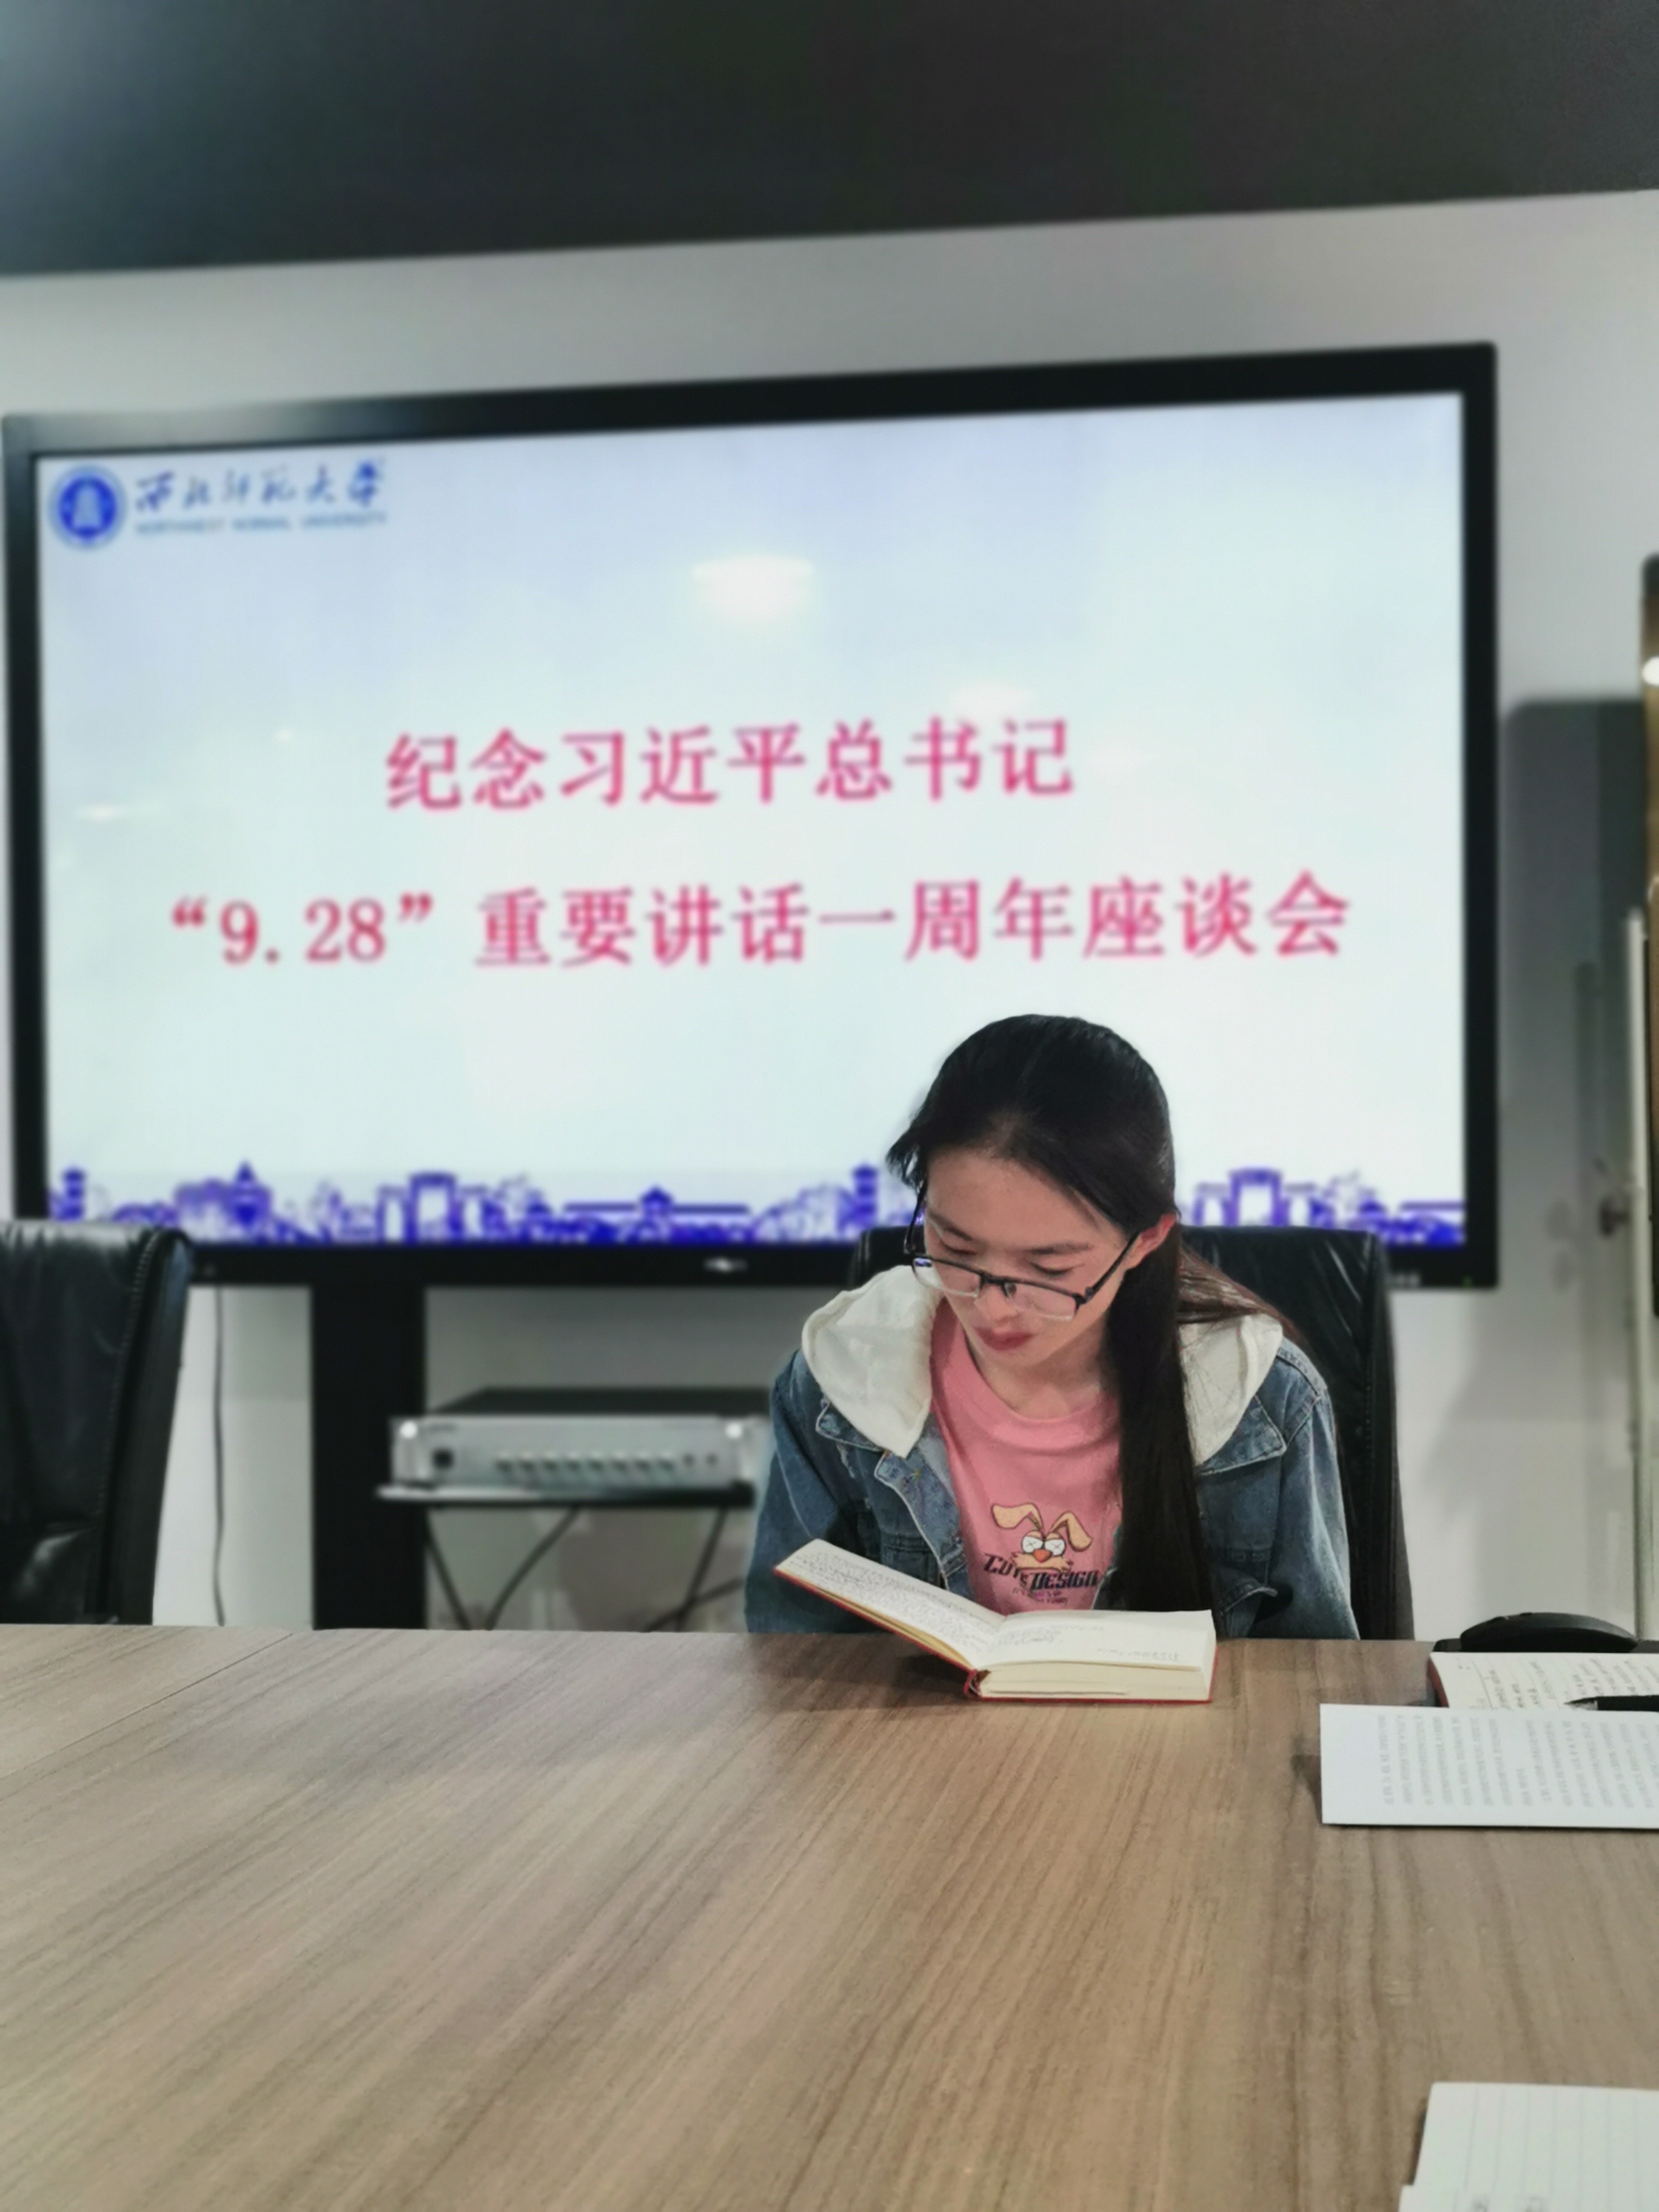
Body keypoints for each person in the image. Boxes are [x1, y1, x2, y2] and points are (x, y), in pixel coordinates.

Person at [745, 1014, 1357, 1638]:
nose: (993, 1307)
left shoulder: (1259, 1399)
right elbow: (789, 1655)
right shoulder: (842, 1380)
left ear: (1146, 1240)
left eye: (1049, 1269)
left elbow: (1312, 1672)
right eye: (955, 1247)